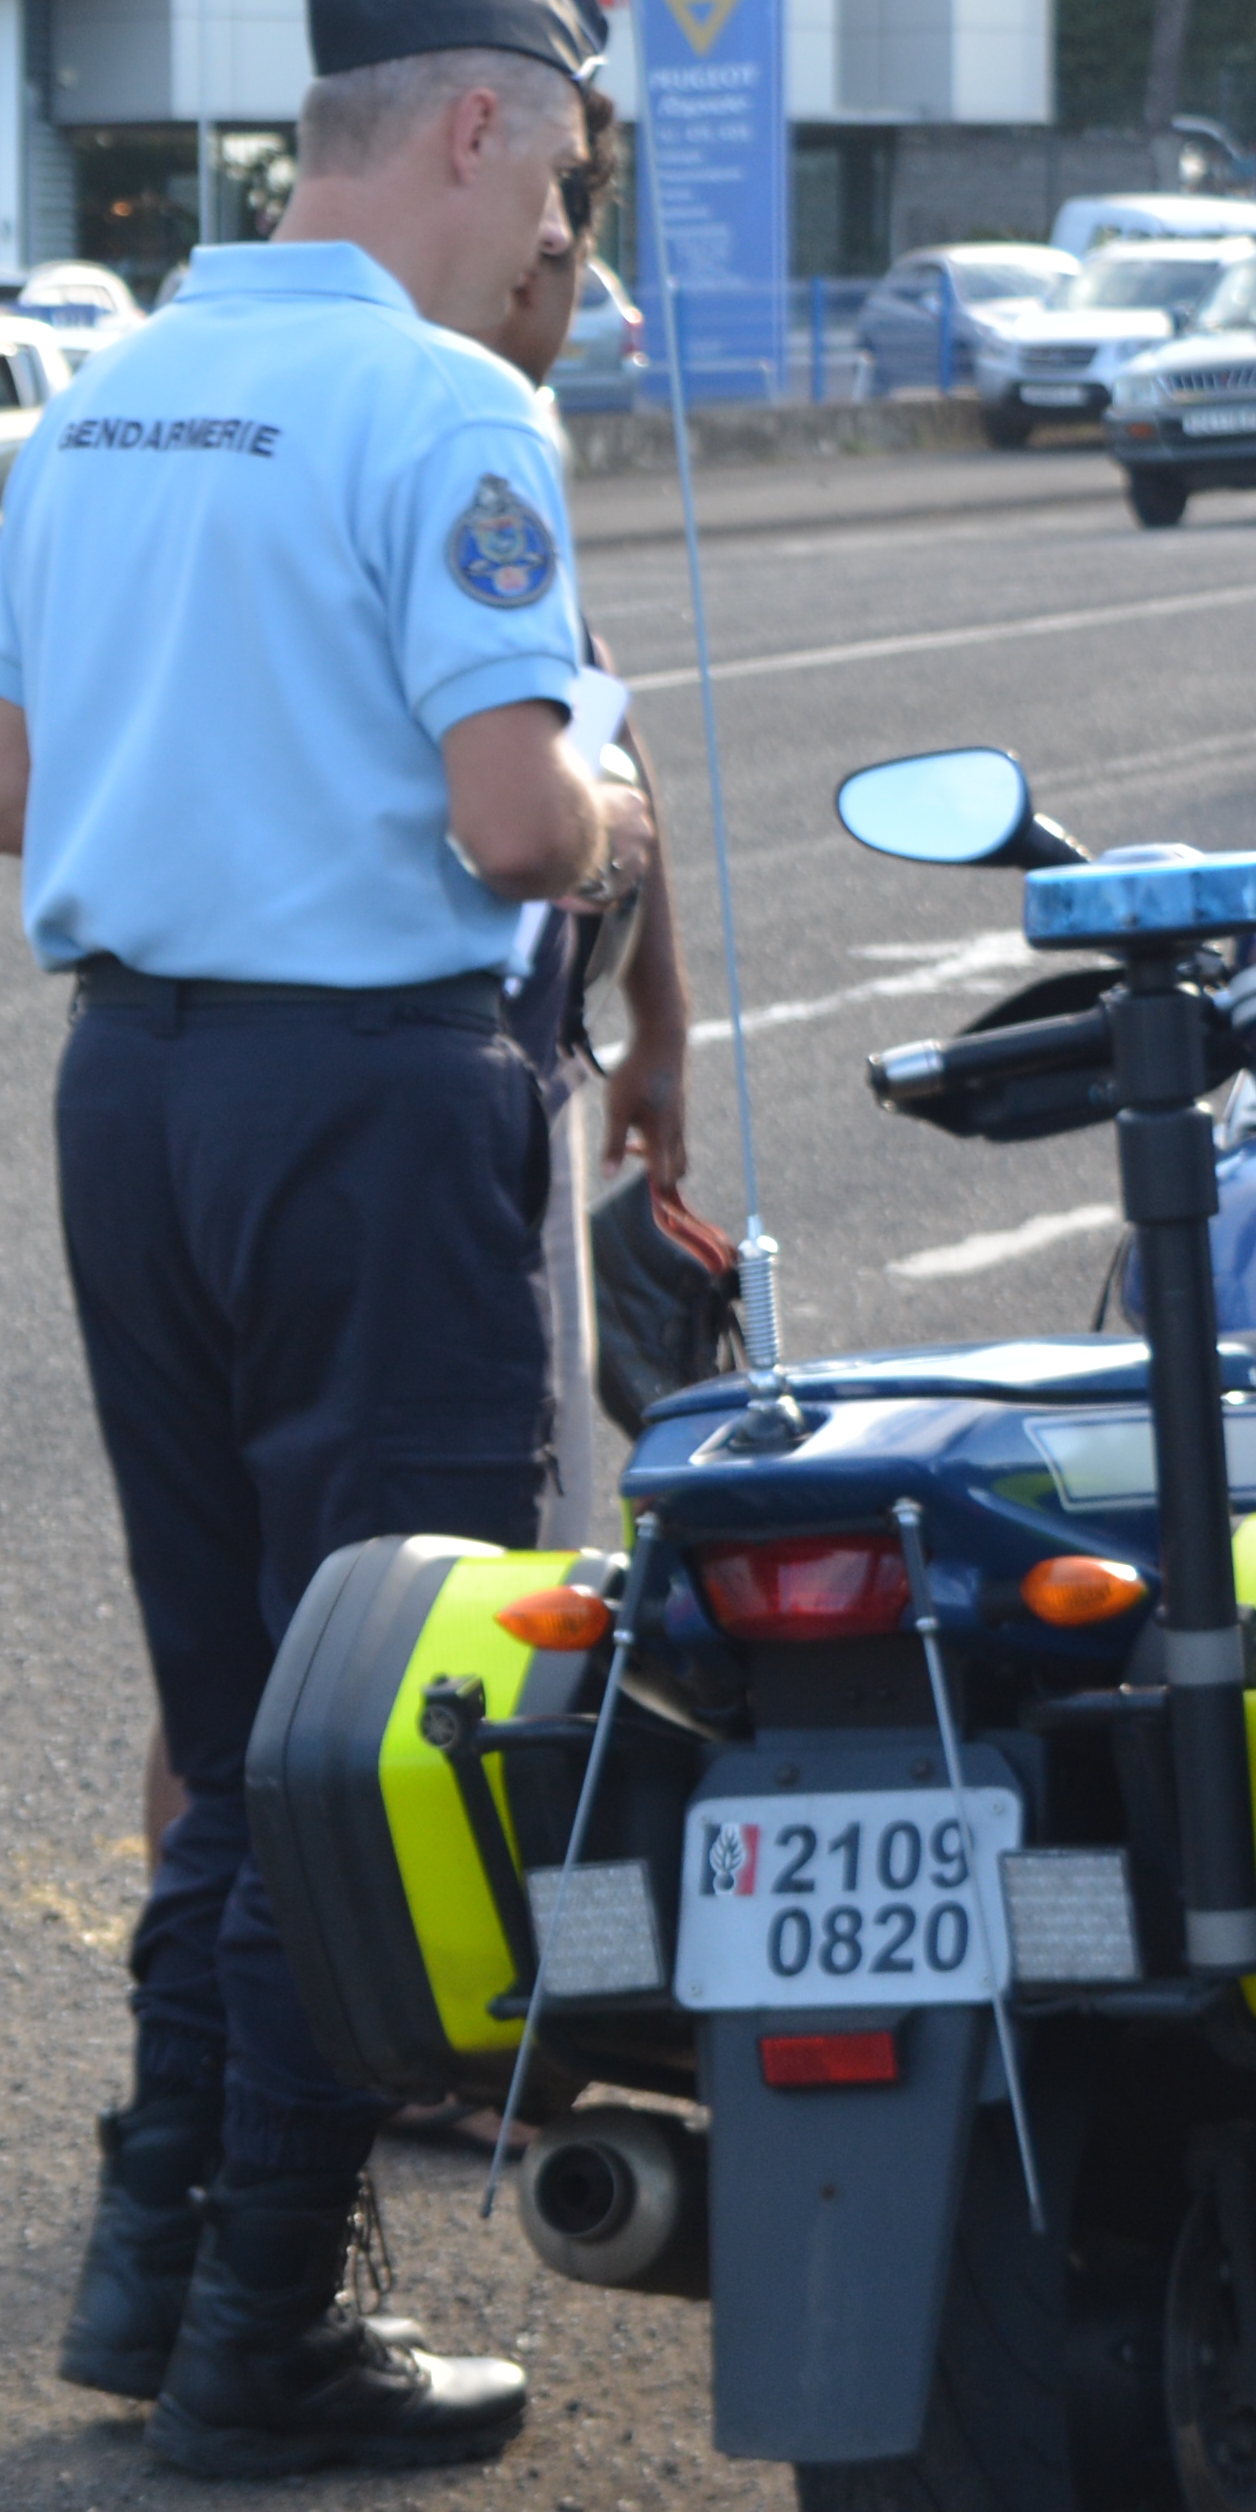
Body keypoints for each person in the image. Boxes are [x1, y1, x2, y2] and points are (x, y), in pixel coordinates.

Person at [0, 0, 649, 2479]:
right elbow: (509, 818)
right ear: (475, 130)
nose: (555, 215)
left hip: (131, 1094)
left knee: (238, 1703)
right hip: (371, 1102)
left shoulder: (108, 396)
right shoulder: (448, 413)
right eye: (559, 163)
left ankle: (157, 2258)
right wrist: (616, 815)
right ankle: (266, 2320)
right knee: (391, 1717)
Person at [465, 197, 691, 1539]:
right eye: (561, 246)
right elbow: (540, 822)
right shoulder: (464, 425)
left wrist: (659, 1014)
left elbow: (595, 701)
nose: (575, 291)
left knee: (240, 1613)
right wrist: (598, 833)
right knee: (499, 1561)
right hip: (454, 1061)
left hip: (182, 1069)